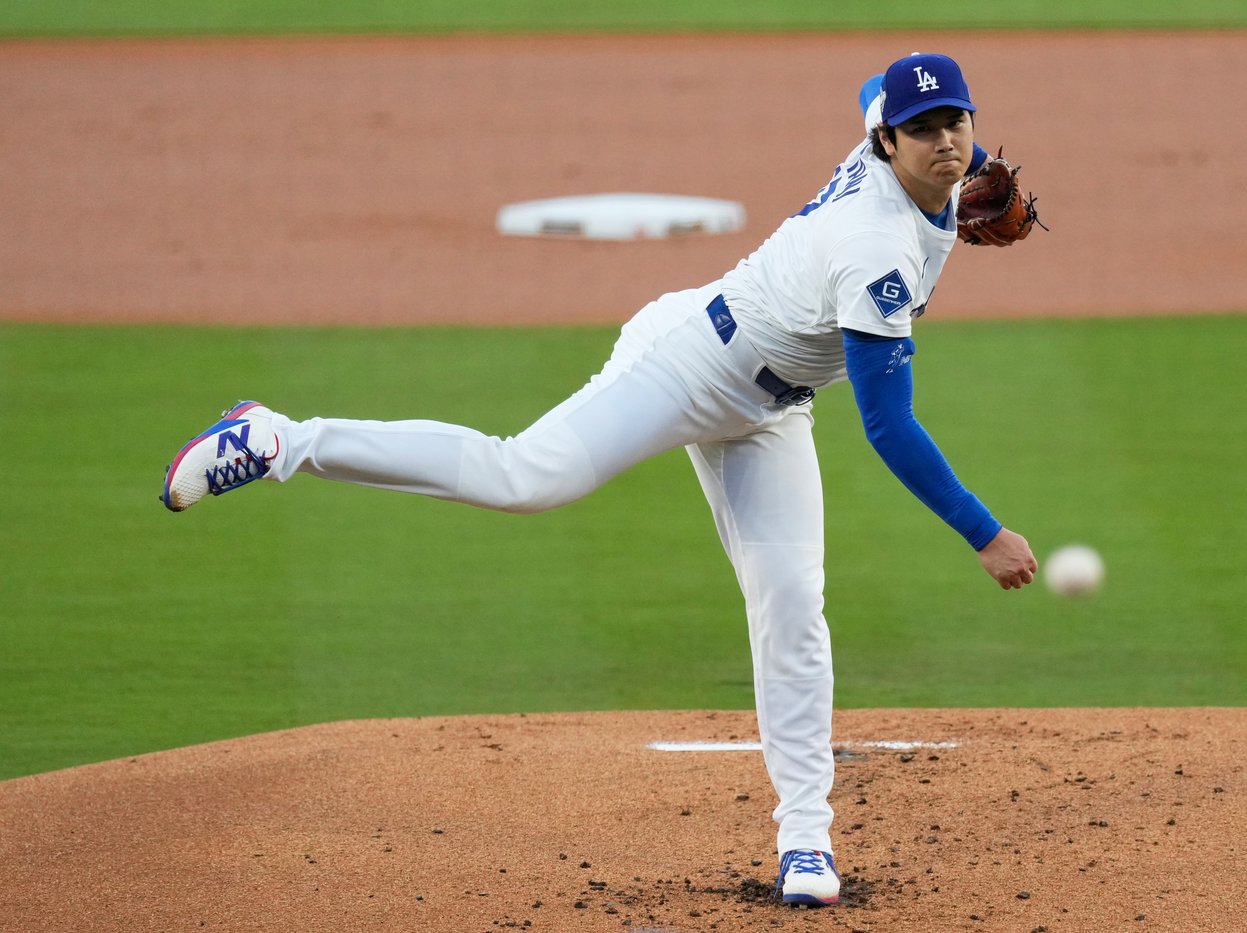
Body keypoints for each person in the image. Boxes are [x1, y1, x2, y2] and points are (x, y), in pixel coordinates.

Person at [160, 51, 1038, 907]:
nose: (944, 143)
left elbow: (878, 95)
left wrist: (959, 167)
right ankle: (280, 439)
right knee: (525, 475)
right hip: (691, 358)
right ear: (886, 142)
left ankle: (804, 838)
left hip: (772, 407)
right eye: (920, 130)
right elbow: (888, 424)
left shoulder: (914, 153)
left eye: (954, 123)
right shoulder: (875, 250)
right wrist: (982, 530)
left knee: (791, 602)